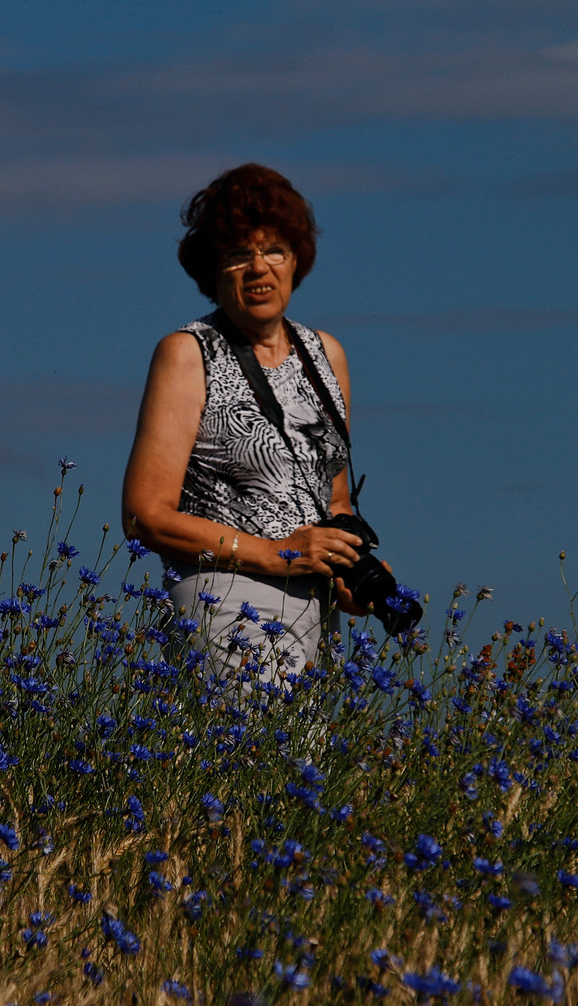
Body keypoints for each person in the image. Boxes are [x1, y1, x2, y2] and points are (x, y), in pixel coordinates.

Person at [121, 163, 387, 681]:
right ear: (212, 269)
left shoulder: (325, 354)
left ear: (296, 262)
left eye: (274, 251)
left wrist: (350, 573)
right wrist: (273, 554)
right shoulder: (188, 354)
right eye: (239, 254)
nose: (259, 268)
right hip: (225, 600)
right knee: (259, 753)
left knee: (296, 761)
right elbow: (145, 515)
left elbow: (333, 505)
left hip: (316, 614)